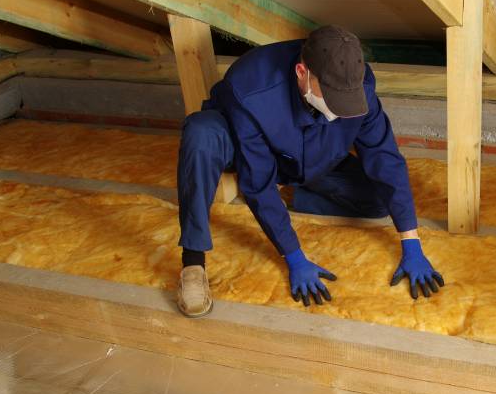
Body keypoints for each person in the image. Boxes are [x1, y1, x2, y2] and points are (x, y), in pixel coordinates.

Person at [176, 25, 444, 317]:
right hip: (248, 148)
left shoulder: (358, 81)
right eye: (330, 95)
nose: (338, 106)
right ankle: (193, 262)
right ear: (302, 73)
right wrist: (293, 256)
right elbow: (257, 181)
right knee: (201, 133)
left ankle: (296, 192)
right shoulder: (250, 87)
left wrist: (411, 241)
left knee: (380, 200)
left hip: (310, 155)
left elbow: (385, 159)